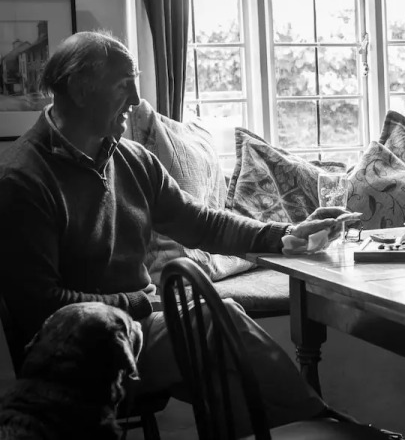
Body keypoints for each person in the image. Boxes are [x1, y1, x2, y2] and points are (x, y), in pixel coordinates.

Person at [0, 31, 347, 434]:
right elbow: (40, 306)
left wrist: (285, 234)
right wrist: (139, 302)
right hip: (73, 357)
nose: (136, 99)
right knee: (217, 322)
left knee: (226, 364)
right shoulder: (22, 180)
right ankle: (325, 427)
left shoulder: (132, 160)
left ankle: (313, 428)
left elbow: (202, 223)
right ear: (79, 89)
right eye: (123, 85)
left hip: (135, 326)